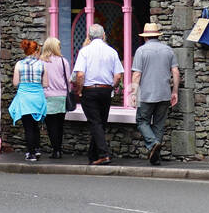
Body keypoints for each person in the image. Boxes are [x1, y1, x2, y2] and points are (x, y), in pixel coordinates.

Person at [72, 23, 123, 166]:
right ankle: (93, 155)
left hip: (90, 90)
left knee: (95, 122)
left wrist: (80, 90)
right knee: (100, 123)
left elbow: (80, 74)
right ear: (104, 35)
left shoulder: (85, 52)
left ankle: (103, 154)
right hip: (106, 90)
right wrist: (110, 87)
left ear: (88, 36)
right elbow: (118, 76)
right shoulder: (112, 51)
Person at [130, 22, 179, 165]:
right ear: (158, 35)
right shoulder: (168, 50)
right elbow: (175, 72)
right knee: (159, 124)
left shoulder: (141, 51)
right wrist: (174, 91)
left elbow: (137, 75)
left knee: (141, 121)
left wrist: (133, 93)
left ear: (145, 37)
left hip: (146, 94)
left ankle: (152, 144)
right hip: (164, 94)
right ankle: (155, 155)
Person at [7, 39, 47, 163]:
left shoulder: (19, 64)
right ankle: (37, 148)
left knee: (28, 126)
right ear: (36, 51)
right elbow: (45, 84)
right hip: (38, 98)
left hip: (24, 98)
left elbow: (15, 83)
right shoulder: (42, 65)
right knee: (36, 124)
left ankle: (31, 153)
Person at [39, 36, 71, 159]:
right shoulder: (63, 61)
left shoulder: (41, 62)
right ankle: (59, 149)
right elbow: (68, 80)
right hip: (61, 96)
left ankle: (55, 150)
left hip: (47, 96)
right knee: (60, 124)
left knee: (51, 125)